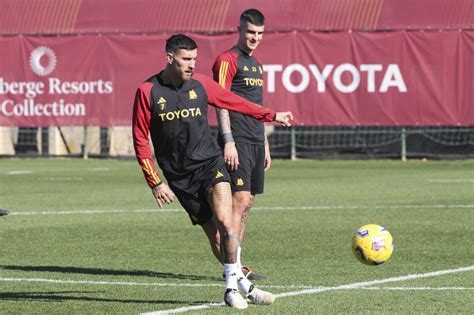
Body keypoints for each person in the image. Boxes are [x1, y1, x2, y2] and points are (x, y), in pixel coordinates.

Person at [132, 34, 293, 309]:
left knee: (226, 222)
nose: (192, 64)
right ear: (169, 58)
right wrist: (156, 182)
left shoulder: (202, 84)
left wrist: (270, 114)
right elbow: (140, 139)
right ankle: (245, 286)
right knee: (216, 236)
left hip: (210, 163)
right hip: (180, 177)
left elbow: (234, 102)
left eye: (195, 59)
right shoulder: (147, 91)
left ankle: (230, 290)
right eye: (186, 59)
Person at [212, 8, 270, 280]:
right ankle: (232, 269)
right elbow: (220, 101)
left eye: (259, 33)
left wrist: (266, 144)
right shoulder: (227, 60)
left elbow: (258, 107)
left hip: (256, 140)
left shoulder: (257, 65)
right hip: (238, 140)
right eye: (250, 32)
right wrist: (228, 141)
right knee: (240, 200)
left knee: (247, 204)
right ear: (239, 29)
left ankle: (238, 263)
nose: (255, 38)